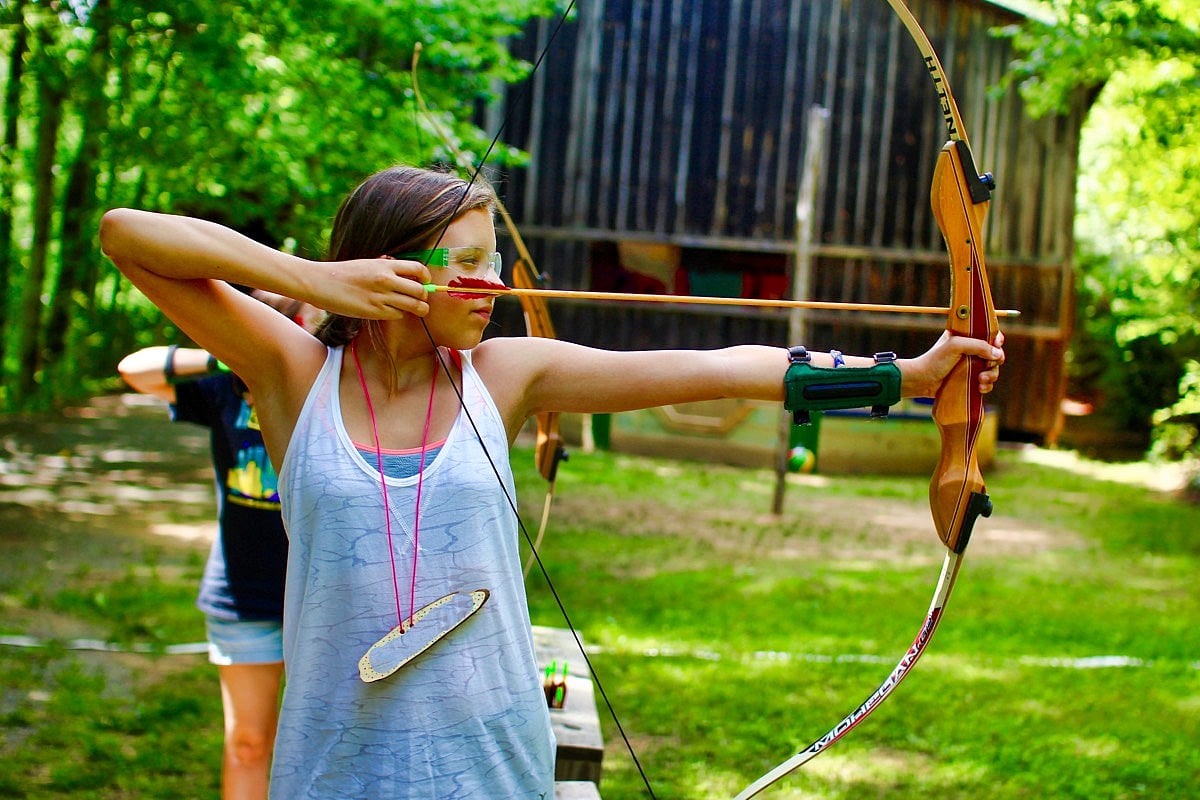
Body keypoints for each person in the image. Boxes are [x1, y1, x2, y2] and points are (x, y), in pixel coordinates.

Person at [99, 164, 1004, 799]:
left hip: (492, 762)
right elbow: (126, 236)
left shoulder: (507, 373)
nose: (491, 282)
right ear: (394, 267)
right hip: (336, 765)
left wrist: (908, 378)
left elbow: (721, 366)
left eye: (493, 259)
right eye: (467, 262)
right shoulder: (293, 370)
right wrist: (311, 280)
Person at [116, 289, 319, 800]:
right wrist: (224, 351)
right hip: (241, 595)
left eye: (293, 316)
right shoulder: (225, 389)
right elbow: (135, 369)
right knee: (249, 744)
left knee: (327, 748)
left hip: (324, 601)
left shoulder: (331, 386)